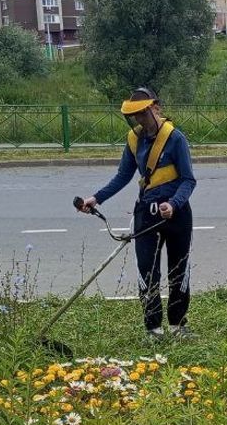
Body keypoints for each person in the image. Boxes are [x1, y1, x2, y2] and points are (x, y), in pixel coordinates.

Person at [80, 87, 197, 340]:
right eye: (135, 116)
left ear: (154, 108)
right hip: (147, 215)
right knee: (147, 272)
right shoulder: (134, 140)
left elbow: (188, 180)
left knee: (178, 269)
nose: (139, 120)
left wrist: (174, 204)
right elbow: (123, 176)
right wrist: (96, 198)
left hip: (177, 216)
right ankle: (153, 329)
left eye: (143, 114)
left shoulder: (176, 138)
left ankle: (178, 326)